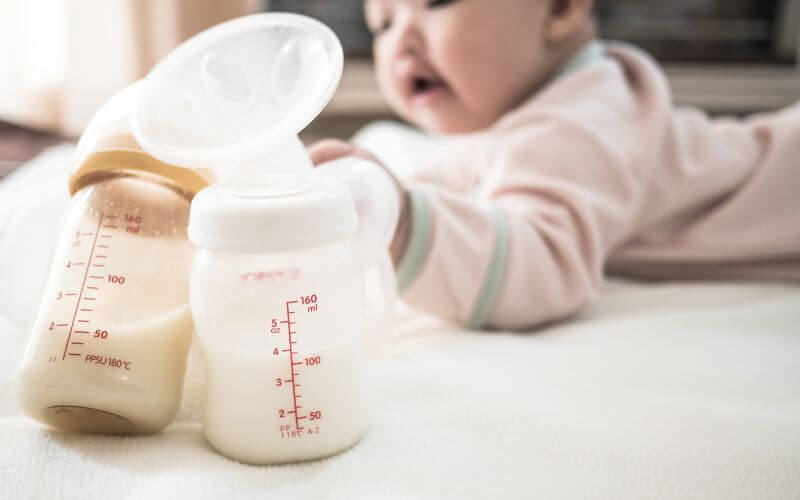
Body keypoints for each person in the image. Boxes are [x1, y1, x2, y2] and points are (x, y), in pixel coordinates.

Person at [309, 0, 800, 330]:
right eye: (383, 24)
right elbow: (468, 178)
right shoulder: (527, 118)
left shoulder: (579, 118)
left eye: (437, 1)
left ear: (561, 6)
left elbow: (540, 262)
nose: (401, 43)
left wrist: (404, 223)